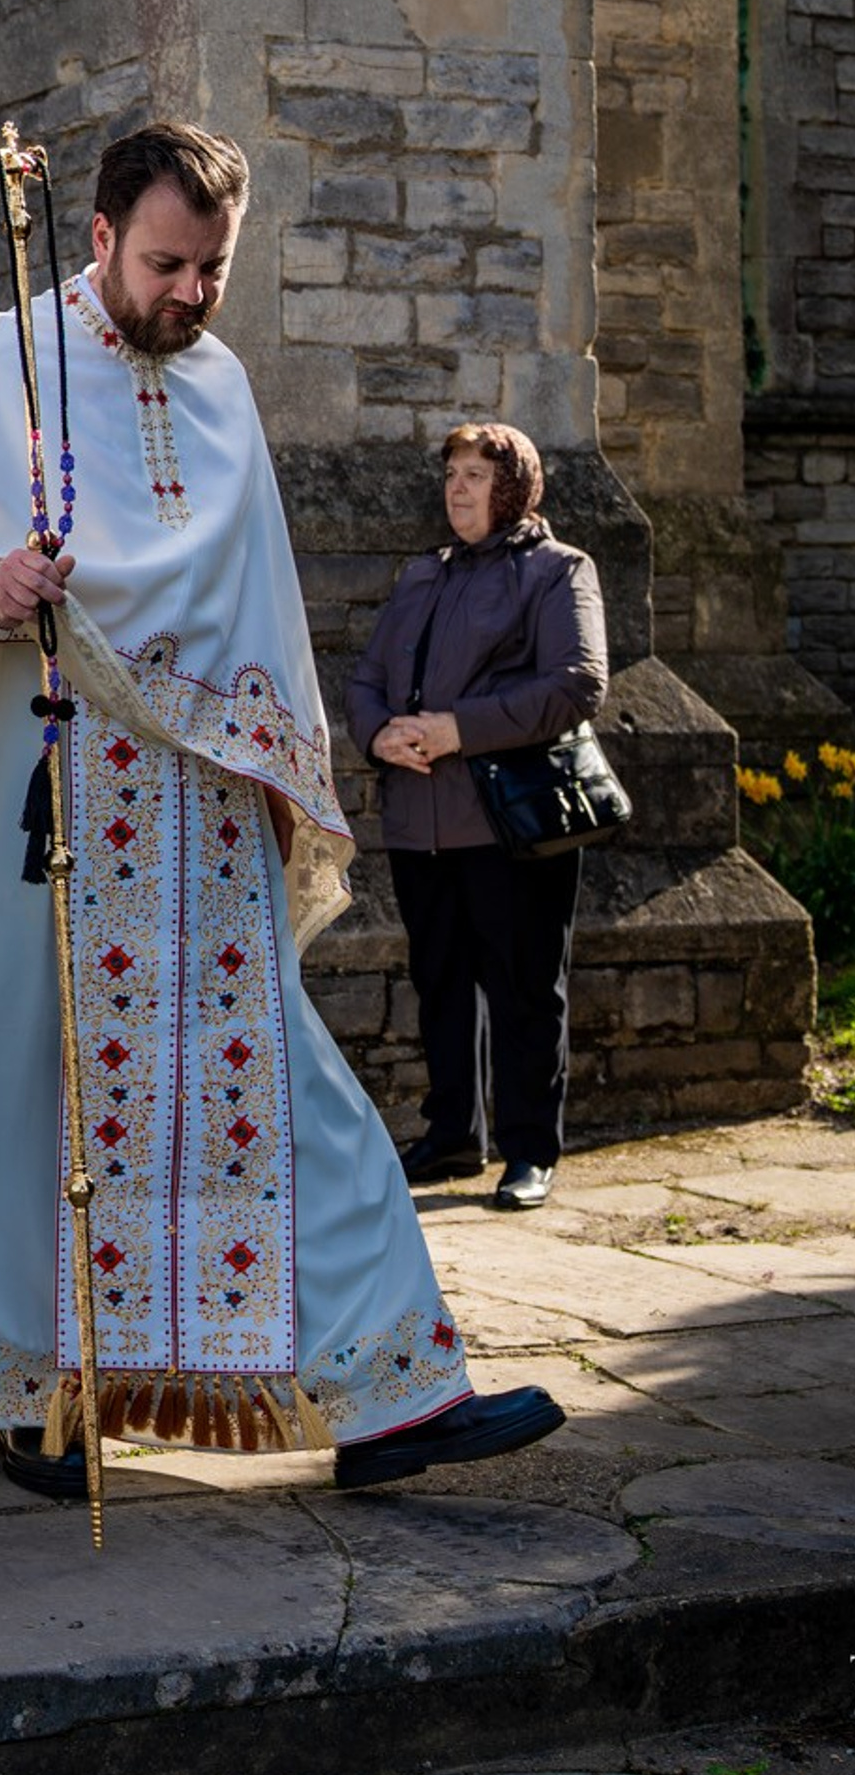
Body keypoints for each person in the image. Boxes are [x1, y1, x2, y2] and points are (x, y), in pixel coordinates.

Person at [0, 121, 562, 1499]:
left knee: (287, 1090)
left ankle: (390, 1393)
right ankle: (33, 1389)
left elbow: (259, 605)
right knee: (7, 1089)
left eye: (213, 269)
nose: (190, 294)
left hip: (203, 809)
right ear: (101, 237)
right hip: (28, 786)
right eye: (168, 263)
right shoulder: (0, 368)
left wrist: (288, 780)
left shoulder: (221, 384)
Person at [345, 426, 608, 1212]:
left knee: (526, 988)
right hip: (418, 822)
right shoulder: (424, 575)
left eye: (476, 475)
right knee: (441, 983)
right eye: (452, 474)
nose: (458, 489)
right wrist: (378, 733)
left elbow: (577, 683)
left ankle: (531, 1150)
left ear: (516, 486)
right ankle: (453, 1132)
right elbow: (366, 677)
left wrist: (457, 728)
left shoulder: (558, 571)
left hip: (509, 825)